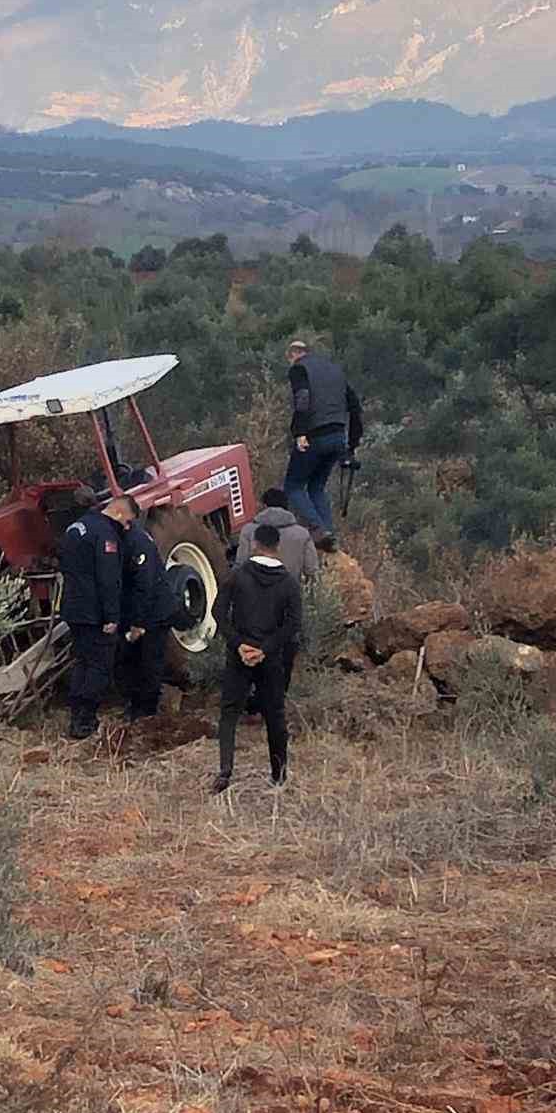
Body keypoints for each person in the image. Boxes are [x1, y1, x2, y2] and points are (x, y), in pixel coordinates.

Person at [211, 523, 302, 795]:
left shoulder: (236, 576)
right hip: (272, 658)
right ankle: (279, 774)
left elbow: (218, 613)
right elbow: (293, 624)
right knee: (274, 714)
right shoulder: (288, 583)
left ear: (254, 544)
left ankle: (225, 771)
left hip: (239, 656)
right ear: (277, 547)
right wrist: (265, 648)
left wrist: (239, 645)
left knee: (229, 713)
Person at [59, 492, 140, 739]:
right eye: (127, 522)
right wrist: (112, 616)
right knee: (99, 666)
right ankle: (85, 720)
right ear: (118, 513)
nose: (127, 528)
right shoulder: (105, 534)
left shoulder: (76, 527)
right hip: (94, 612)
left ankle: (76, 716)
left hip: (73, 608)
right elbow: (108, 579)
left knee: (82, 662)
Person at [237, 487, 317, 698]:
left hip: (252, 603)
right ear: (287, 506)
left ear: (264, 505)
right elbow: (311, 571)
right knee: (284, 650)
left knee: (252, 649)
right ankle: (278, 697)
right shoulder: (302, 534)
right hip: (286, 601)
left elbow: (239, 566)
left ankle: (253, 700)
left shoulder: (248, 531)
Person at [283, 338, 363, 547]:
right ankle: (329, 534)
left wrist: (300, 432)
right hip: (338, 437)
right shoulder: (335, 370)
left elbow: (302, 398)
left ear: (292, 355)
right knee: (316, 487)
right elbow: (355, 407)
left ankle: (320, 531)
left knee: (293, 486)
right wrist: (351, 446)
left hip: (314, 436)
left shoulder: (299, 369)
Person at [120, 517, 178, 722]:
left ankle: (148, 712)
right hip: (138, 612)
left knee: (150, 661)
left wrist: (138, 623)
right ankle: (136, 705)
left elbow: (145, 587)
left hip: (154, 614)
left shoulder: (138, 543)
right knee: (132, 660)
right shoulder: (126, 539)